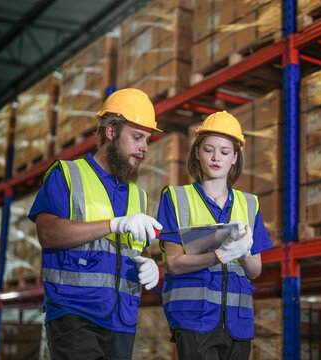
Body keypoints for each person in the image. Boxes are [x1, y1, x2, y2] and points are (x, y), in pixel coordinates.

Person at [28, 88, 164, 360]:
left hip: (122, 319)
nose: (144, 148)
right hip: (75, 314)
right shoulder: (67, 174)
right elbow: (48, 233)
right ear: (111, 132)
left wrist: (150, 265)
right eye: (137, 137)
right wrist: (113, 224)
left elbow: (136, 249)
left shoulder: (138, 195)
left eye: (147, 140)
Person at [157, 110, 274, 359]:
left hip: (237, 322)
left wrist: (245, 253)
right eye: (209, 149)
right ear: (197, 152)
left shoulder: (249, 204)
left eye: (224, 151)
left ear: (234, 158)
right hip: (193, 318)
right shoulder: (176, 199)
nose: (216, 158)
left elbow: (255, 271)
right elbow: (174, 264)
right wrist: (219, 255)